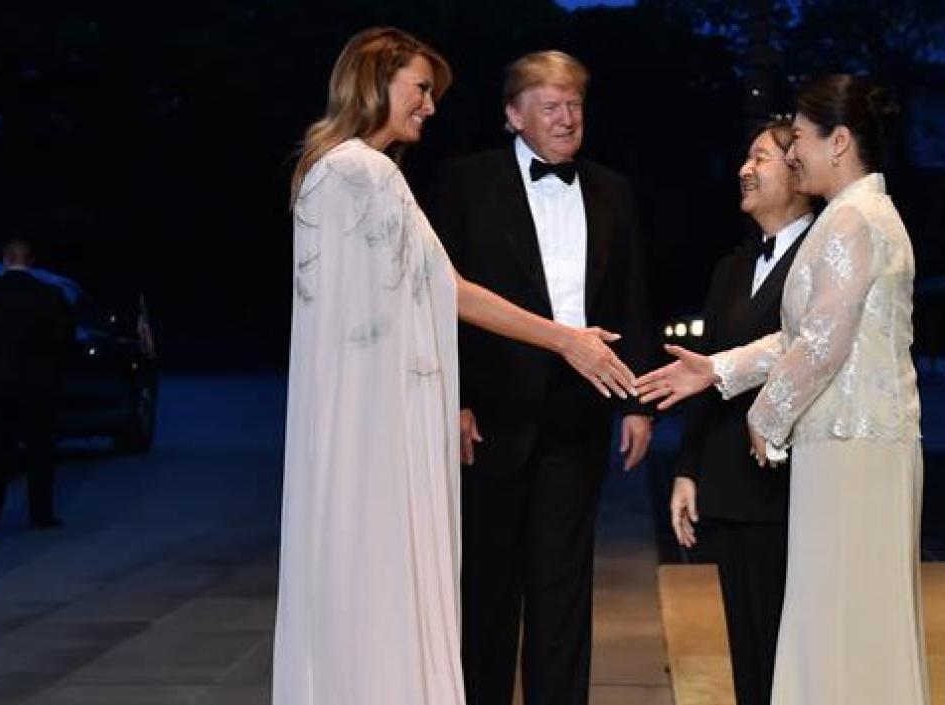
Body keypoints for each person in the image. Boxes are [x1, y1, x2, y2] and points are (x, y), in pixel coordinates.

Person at [274, 29, 636, 705]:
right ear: (377, 82)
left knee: (359, 572)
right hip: (382, 415)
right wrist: (566, 340)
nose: (430, 106)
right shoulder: (366, 173)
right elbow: (452, 290)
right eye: (420, 89)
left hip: (351, 411)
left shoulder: (327, 167)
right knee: (398, 574)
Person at [638, 75, 929, 705]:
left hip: (852, 447)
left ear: (839, 141)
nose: (793, 152)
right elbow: (798, 336)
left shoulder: (851, 218)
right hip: (847, 445)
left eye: (798, 138)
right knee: (839, 617)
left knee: (845, 617)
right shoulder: (858, 214)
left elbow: (822, 342)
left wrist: (764, 420)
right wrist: (715, 370)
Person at [431, 50, 655, 705]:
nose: (567, 118)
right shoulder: (464, 183)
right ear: (513, 115)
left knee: (563, 590)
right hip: (489, 413)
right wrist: (453, 400)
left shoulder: (612, 188)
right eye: (551, 106)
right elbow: (438, 300)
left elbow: (633, 295)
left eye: (575, 105)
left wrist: (638, 402)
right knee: (486, 592)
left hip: (578, 410)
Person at [668, 119, 813, 705]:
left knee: (791, 648)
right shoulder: (730, 267)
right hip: (730, 484)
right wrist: (687, 469)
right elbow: (704, 372)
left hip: (793, 484)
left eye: (760, 158)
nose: (744, 170)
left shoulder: (823, 257)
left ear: (799, 172)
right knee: (748, 649)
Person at [0, 238, 74, 530]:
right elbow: (65, 340)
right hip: (38, 386)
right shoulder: (51, 295)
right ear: (32, 261)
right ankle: (40, 513)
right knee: (40, 449)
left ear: (5, 260)